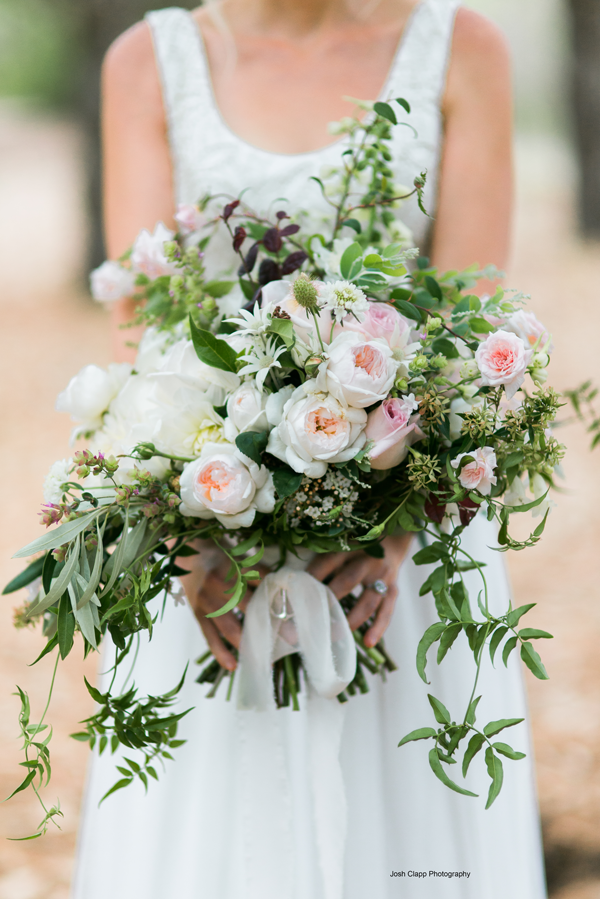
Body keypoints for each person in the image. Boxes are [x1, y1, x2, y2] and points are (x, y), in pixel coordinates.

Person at [71, 1, 547, 897]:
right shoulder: (150, 59)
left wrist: (390, 529)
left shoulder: (461, 47)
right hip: (207, 547)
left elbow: (472, 324)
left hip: (404, 553)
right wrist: (192, 547)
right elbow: (142, 337)